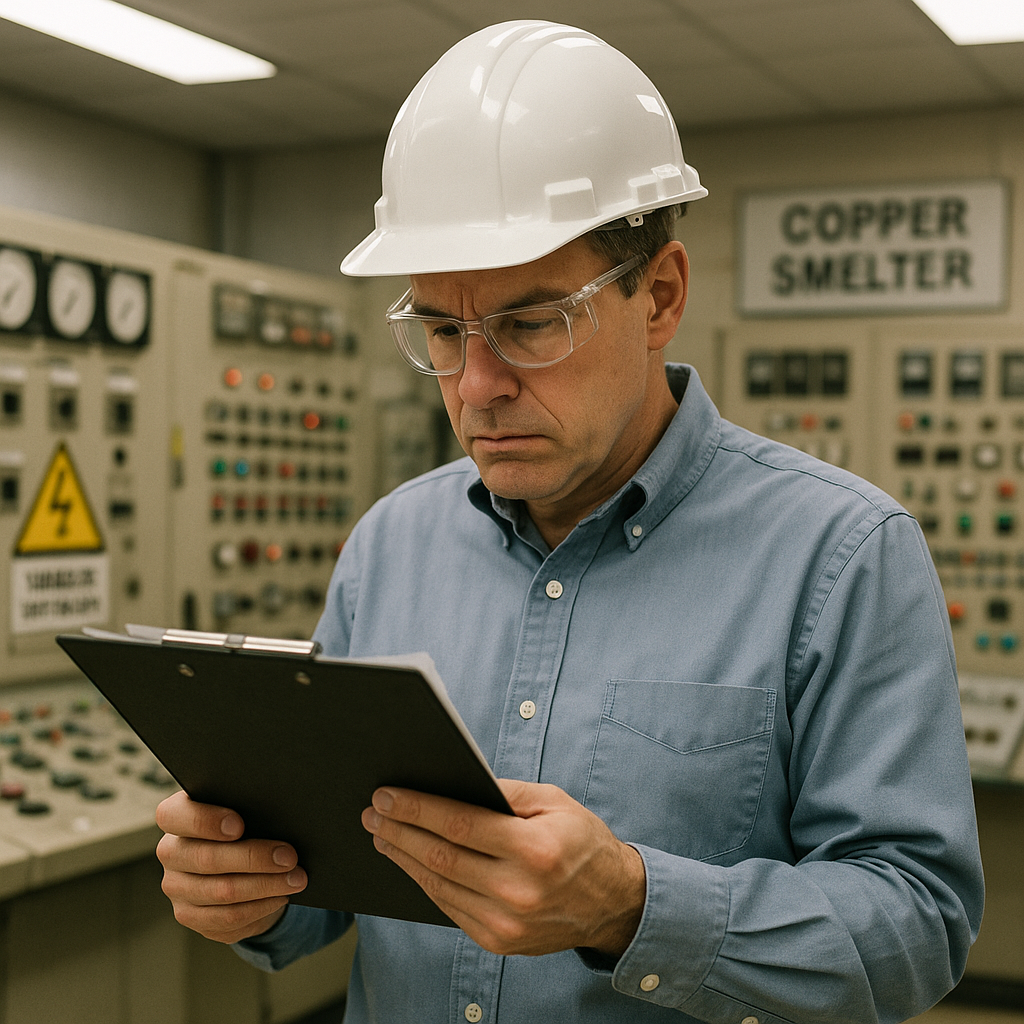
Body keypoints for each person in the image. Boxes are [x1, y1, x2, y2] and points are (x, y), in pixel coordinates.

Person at [155, 20, 984, 1024]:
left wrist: (631, 904)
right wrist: (246, 890)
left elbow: (919, 925)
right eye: (442, 331)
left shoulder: (838, 555)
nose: (478, 385)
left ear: (659, 295)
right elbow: (325, 885)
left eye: (530, 324)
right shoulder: (391, 544)